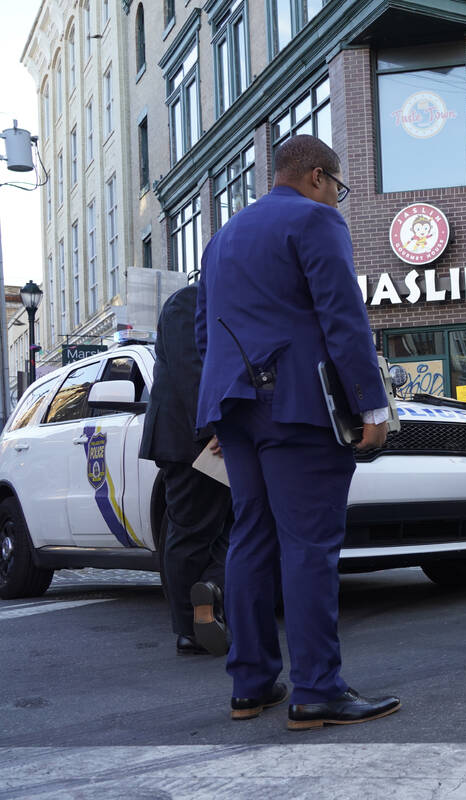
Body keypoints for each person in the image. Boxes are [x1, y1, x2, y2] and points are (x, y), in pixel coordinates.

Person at [196, 134, 400, 730]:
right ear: (318, 176)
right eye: (338, 187)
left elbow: (205, 336)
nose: (338, 199)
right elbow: (343, 317)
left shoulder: (221, 238)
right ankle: (317, 689)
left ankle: (250, 684)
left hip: (235, 406)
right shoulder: (317, 221)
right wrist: (372, 405)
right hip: (296, 404)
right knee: (309, 545)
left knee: (251, 537)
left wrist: (215, 415)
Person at [138, 282, 232, 658]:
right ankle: (189, 629)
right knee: (192, 531)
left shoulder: (222, 299)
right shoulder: (186, 301)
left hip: (214, 434)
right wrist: (215, 423)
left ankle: (209, 600)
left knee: (231, 527)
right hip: (195, 437)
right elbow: (190, 367)